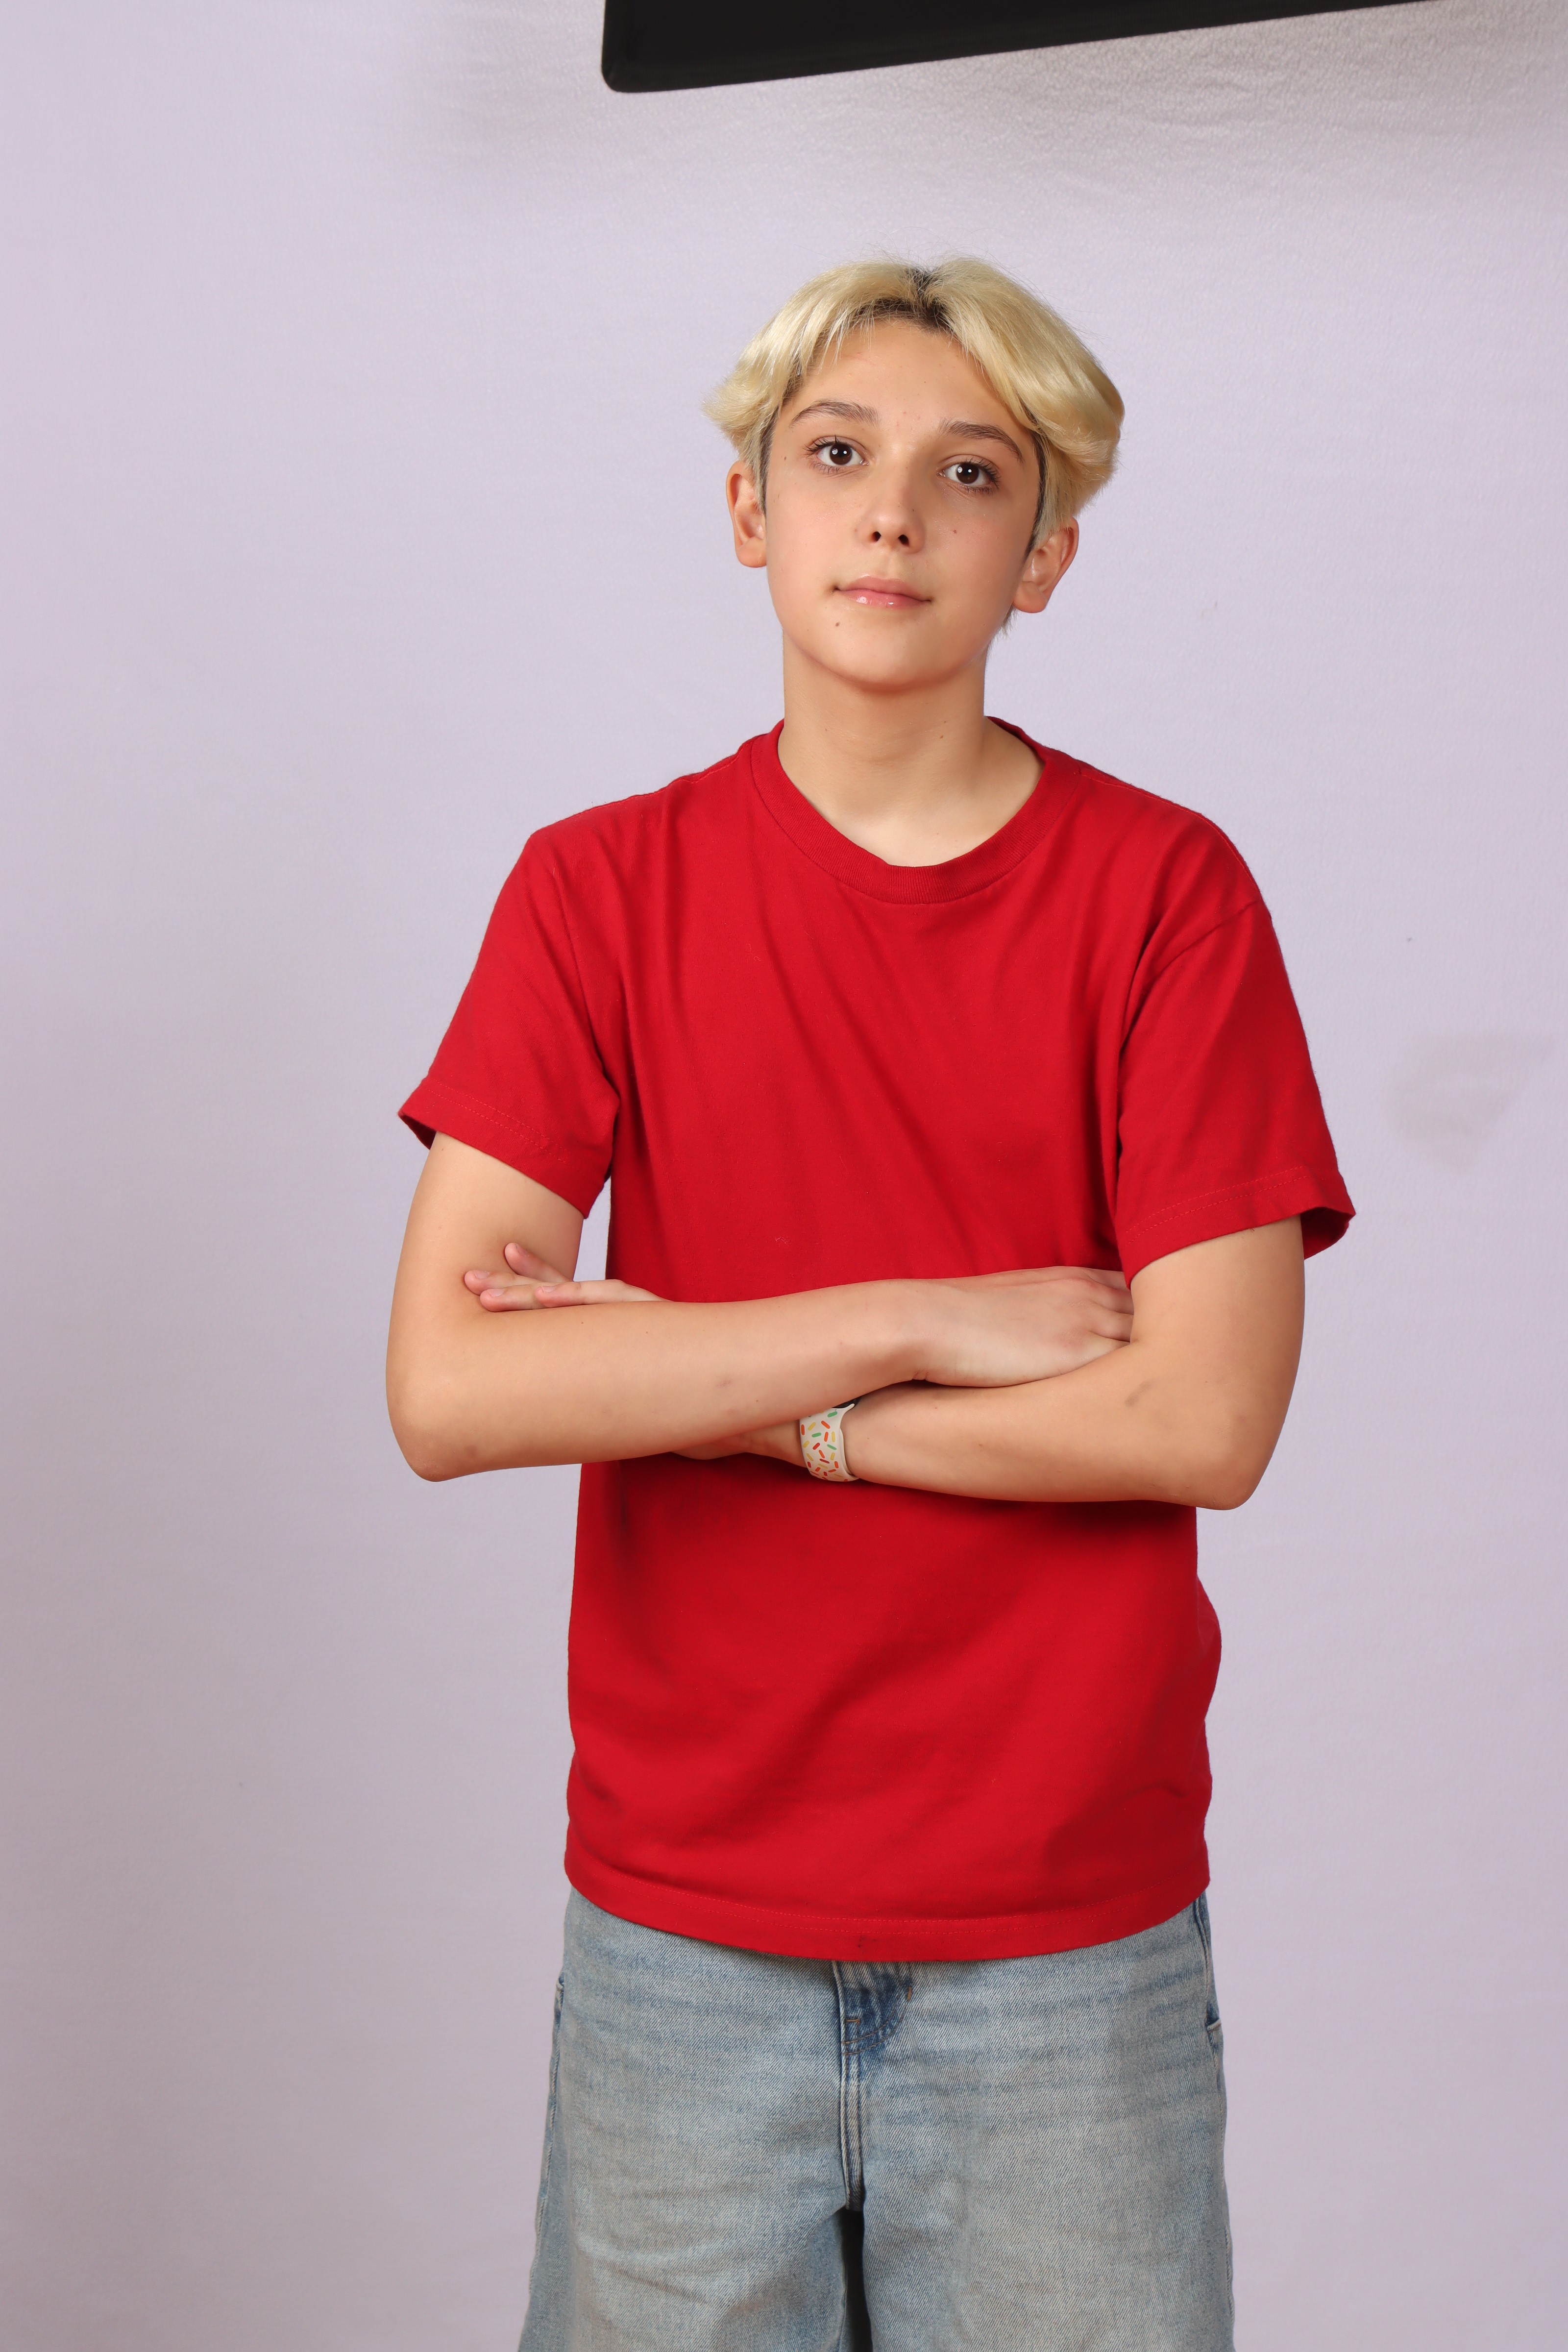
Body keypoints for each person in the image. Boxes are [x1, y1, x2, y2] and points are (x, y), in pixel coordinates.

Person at [387, 256, 1353, 2352]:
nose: (894, 513)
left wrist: (711, 1391)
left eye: (970, 473)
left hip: (1064, 1943)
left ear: (1045, 555)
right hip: (680, 1932)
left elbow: (1199, 1423)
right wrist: (921, 1314)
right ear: (751, 510)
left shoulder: (1166, 897)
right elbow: (455, 1390)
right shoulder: (596, 890)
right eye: (835, 456)